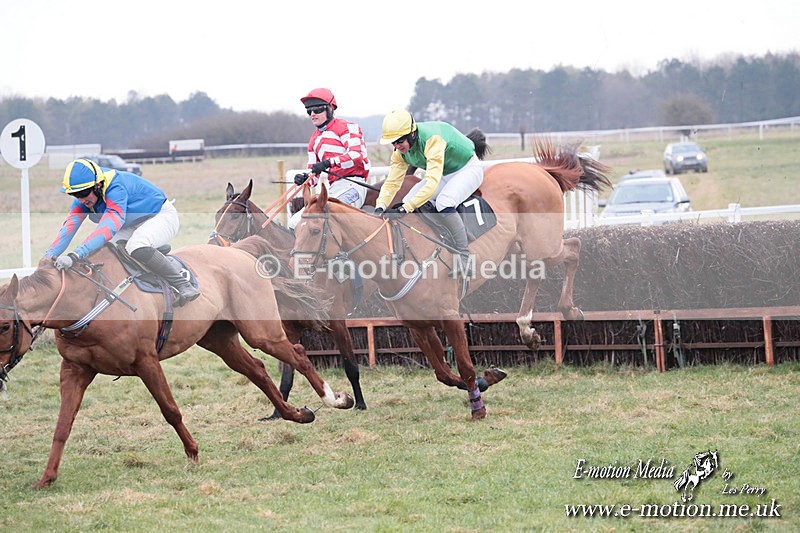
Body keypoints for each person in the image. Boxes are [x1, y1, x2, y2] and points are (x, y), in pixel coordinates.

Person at [44, 158, 200, 305]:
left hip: (160, 216)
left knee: (136, 245)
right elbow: (68, 228)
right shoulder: (85, 196)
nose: (80, 199)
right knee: (103, 252)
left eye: (83, 193)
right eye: (75, 195)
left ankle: (183, 284)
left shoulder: (116, 188)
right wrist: (47, 259)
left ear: (97, 185)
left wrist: (75, 255)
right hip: (131, 224)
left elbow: (108, 228)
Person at [374, 110, 483, 276]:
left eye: (400, 141)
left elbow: (431, 183)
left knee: (444, 202)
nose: (397, 146)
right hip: (444, 173)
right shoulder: (399, 154)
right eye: (393, 143)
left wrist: (405, 208)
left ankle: (464, 257)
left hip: (467, 168)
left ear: (412, 133)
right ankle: (442, 236)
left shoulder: (432, 139)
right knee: (408, 199)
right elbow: (392, 183)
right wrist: (380, 206)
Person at [289, 88, 371, 229]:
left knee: (331, 216)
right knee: (294, 222)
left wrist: (329, 163)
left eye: (317, 110)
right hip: (332, 189)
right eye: (309, 111)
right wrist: (304, 179)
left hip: (354, 184)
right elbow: (313, 178)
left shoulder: (348, 127)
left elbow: (357, 155)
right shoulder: (313, 140)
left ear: (330, 109)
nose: (313, 114)